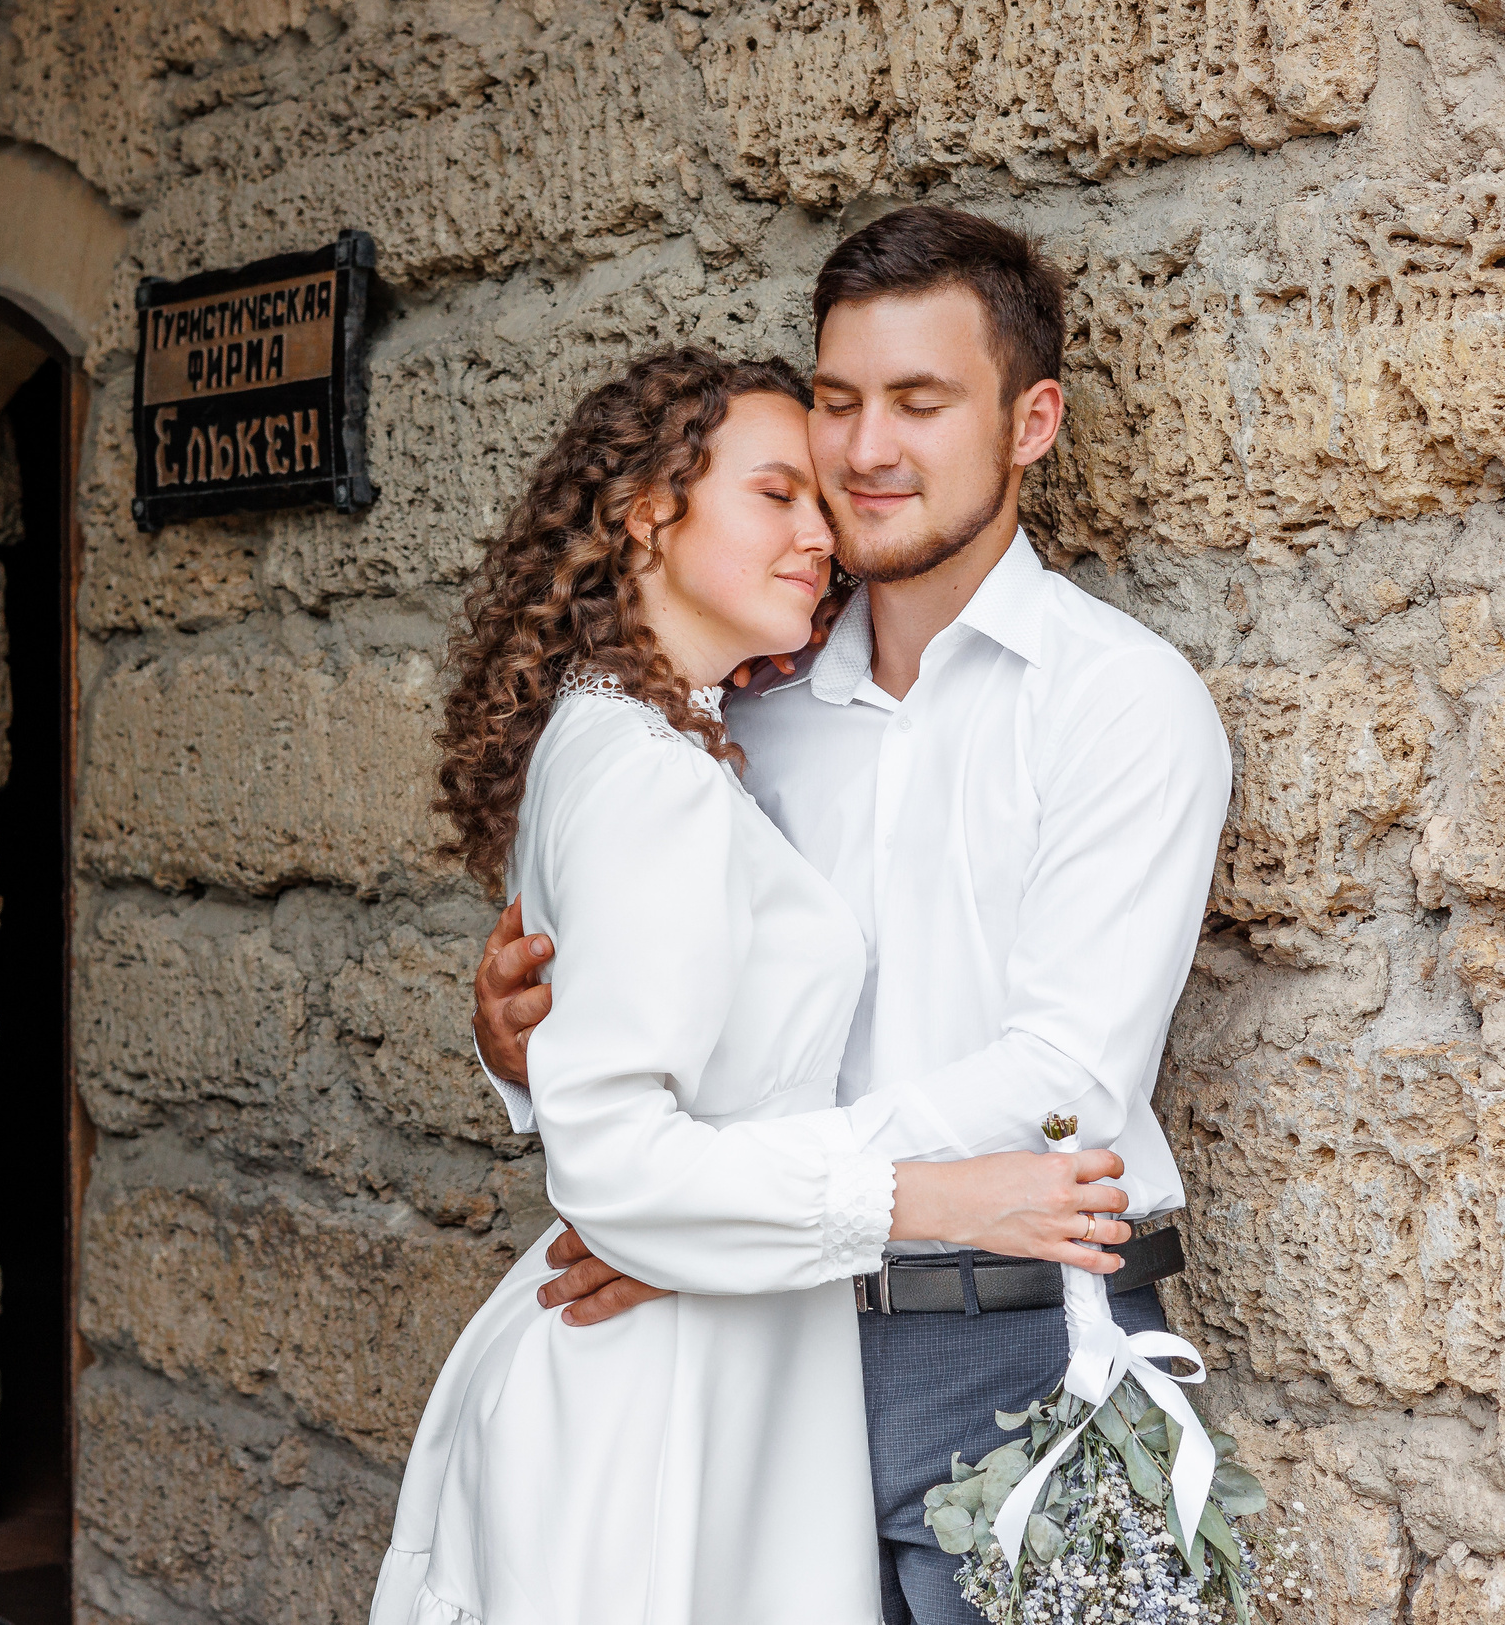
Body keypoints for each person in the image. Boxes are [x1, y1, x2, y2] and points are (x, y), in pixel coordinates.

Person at [469, 207, 1235, 1625]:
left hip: (1015, 1349)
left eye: (922, 403)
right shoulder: (743, 706)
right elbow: (683, 1007)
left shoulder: (1119, 702)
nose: (867, 449)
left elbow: (1066, 1080)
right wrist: (534, 1059)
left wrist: (711, 1199)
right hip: (759, 1344)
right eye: (838, 402)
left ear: (1033, 422)